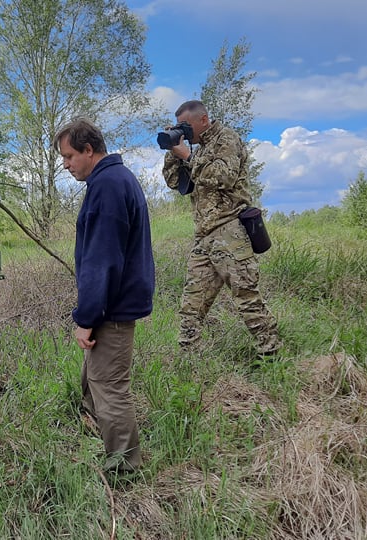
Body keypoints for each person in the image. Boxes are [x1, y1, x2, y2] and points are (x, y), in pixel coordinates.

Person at [54, 118, 155, 474]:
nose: (65, 165)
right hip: (113, 303)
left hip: (110, 308)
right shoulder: (114, 180)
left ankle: (125, 468)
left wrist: (87, 318)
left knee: (109, 387)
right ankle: (95, 437)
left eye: (68, 156)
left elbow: (102, 260)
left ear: (88, 149)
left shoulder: (108, 186)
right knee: (93, 380)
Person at [162, 100, 281, 358]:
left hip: (229, 230)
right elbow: (174, 182)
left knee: (246, 297)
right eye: (180, 126)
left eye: (186, 125)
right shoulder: (197, 148)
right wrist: (173, 151)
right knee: (191, 305)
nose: (184, 130)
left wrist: (189, 157)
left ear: (203, 120)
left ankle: (271, 355)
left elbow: (223, 177)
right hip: (204, 236)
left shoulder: (226, 139)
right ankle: (188, 360)